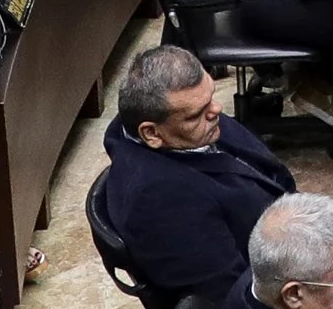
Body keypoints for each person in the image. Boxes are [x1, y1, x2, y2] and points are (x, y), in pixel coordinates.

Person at [98, 44, 297, 307]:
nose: (216, 111)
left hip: (290, 242)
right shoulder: (161, 202)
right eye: (196, 115)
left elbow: (276, 178)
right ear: (152, 134)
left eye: (211, 96)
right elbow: (230, 296)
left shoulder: (184, 124)